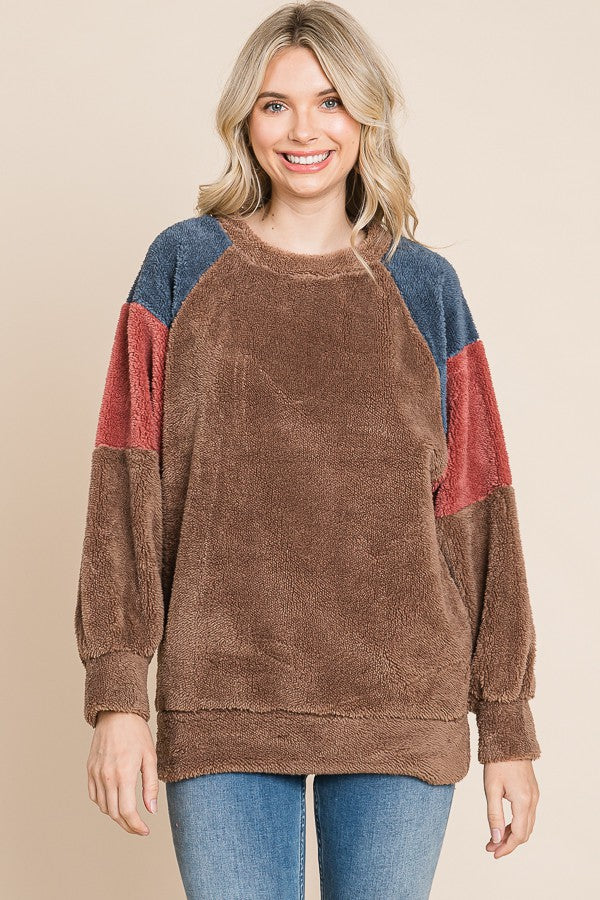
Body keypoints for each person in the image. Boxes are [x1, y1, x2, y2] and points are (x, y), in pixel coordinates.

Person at [74, 2, 541, 896]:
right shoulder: (182, 266)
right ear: (244, 121)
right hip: (224, 696)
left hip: (400, 701)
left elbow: (479, 510)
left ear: (366, 116)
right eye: (276, 104)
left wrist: (508, 726)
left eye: (330, 102)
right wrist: (118, 694)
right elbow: (126, 487)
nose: (304, 130)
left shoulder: (424, 287)